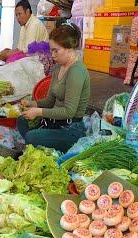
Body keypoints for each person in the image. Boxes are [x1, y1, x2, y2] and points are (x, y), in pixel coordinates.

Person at [17, 23, 90, 152]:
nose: (53, 55)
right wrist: (32, 103)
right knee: (22, 120)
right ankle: (42, 145)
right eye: (51, 50)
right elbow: (49, 101)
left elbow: (69, 112)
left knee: (31, 137)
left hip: (71, 128)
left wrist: (38, 112)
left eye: (56, 50)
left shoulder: (76, 71)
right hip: (55, 122)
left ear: (69, 49)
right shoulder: (58, 67)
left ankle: (44, 145)